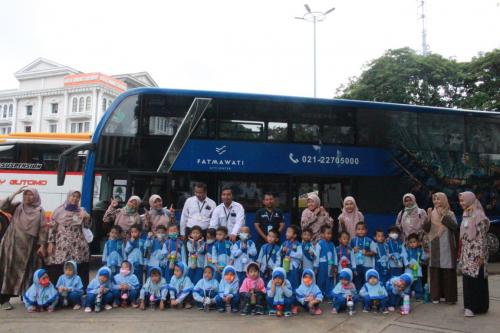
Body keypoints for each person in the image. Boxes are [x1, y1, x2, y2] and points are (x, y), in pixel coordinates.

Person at [0, 186, 47, 311]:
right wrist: (15, 193)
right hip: (11, 245)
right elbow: (3, 206)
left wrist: (42, 245)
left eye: (30, 194)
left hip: (29, 247)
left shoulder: (39, 211)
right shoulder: (17, 207)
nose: (27, 197)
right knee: (8, 272)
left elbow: (43, 229)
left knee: (26, 272)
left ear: (35, 196)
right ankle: (4, 300)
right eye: (25, 194)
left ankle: (26, 296)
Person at [46, 190, 91, 288]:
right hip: (62, 244)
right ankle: (58, 288)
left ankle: (77, 290)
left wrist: (87, 217)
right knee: (59, 264)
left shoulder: (81, 210)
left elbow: (87, 226)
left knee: (78, 264)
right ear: (68, 196)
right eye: (73, 196)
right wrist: (51, 243)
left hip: (78, 245)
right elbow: (52, 228)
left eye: (77, 197)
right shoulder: (59, 210)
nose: (75, 199)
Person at [458, 191, 490, 317]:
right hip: (467, 252)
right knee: (467, 279)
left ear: (470, 200)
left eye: (463, 200)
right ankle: (469, 305)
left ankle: (476, 307)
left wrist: (482, 255)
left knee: (476, 279)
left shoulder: (479, 215)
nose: (461, 203)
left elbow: (482, 237)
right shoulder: (466, 213)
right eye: (460, 201)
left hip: (476, 253)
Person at [423, 192, 458, 304]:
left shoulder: (450, 213)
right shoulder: (431, 213)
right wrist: (428, 218)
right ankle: (436, 296)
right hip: (434, 244)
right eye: (434, 200)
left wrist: (444, 216)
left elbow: (455, 227)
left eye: (438, 199)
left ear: (444, 200)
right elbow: (427, 229)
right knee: (435, 270)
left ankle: (450, 297)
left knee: (447, 270)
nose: (436, 202)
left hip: (446, 245)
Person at [351, 222, 375, 291]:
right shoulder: (353, 241)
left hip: (367, 265)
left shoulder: (369, 240)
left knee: (367, 279)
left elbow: (374, 253)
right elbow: (348, 252)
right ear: (355, 231)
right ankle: (358, 294)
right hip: (356, 264)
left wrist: (367, 253)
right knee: (357, 279)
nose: (361, 231)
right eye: (358, 229)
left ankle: (367, 292)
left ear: (366, 230)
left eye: (363, 229)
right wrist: (353, 250)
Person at [279, 225, 302, 291]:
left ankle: (295, 296)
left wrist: (289, 252)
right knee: (285, 281)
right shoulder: (284, 243)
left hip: (293, 267)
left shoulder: (298, 244)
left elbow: (300, 255)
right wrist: (282, 251)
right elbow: (279, 254)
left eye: (289, 232)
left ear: (295, 235)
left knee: (293, 282)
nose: (286, 233)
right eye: (286, 232)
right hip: (285, 266)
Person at [317, 225, 337, 298]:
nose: (329, 235)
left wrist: (335, 265)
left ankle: (329, 293)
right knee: (321, 280)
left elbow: (335, 255)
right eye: (327, 233)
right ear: (322, 234)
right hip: (322, 265)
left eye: (330, 234)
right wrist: (316, 266)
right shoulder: (319, 243)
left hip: (330, 264)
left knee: (330, 279)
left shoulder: (332, 244)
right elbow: (317, 255)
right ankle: (320, 294)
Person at [404, 233, 426, 301]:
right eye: (410, 242)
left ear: (418, 242)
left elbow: (424, 258)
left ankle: (419, 295)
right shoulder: (407, 250)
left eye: (414, 242)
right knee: (408, 283)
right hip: (409, 270)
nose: (412, 244)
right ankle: (407, 295)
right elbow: (404, 258)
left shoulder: (420, 250)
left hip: (417, 270)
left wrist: (423, 260)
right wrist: (408, 264)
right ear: (408, 243)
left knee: (418, 283)